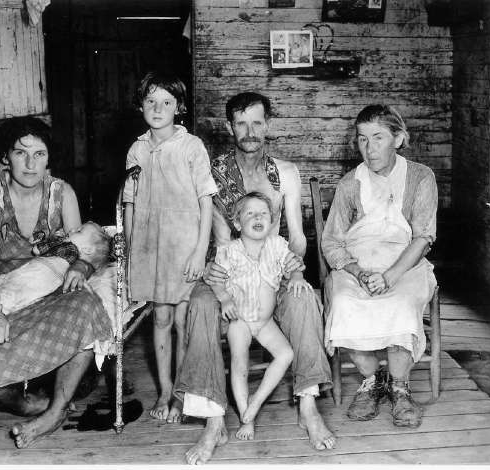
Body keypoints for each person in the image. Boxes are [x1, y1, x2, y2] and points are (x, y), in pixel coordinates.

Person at [173, 92, 336, 465]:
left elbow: (295, 235)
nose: (250, 131)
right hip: (227, 267)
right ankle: (214, 420)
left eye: (257, 123)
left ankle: (308, 405)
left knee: (303, 298)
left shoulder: (286, 173)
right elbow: (220, 238)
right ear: (230, 126)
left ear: (268, 125)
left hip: (273, 267)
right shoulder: (213, 172)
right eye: (241, 123)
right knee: (198, 304)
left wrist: (294, 271)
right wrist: (220, 277)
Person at [0, 116, 112, 448]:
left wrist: (82, 268)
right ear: (5, 156)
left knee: (87, 305)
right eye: (20, 153)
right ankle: (41, 404)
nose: (30, 164)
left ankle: (52, 414)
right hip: (7, 293)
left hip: (49, 290)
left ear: (49, 158)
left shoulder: (63, 194)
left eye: (39, 154)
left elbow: (83, 249)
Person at [321, 104, 438, 428]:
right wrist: (358, 273)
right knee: (344, 302)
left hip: (405, 264)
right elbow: (332, 242)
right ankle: (372, 382)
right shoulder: (349, 184)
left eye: (378, 138)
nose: (369, 149)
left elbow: (424, 236)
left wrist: (389, 277)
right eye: (362, 139)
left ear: (398, 139)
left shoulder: (420, 177)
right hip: (358, 266)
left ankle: (399, 387)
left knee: (401, 302)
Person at [123, 72, 218, 424]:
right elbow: (129, 203)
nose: (158, 108)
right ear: (140, 106)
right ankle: (164, 388)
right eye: (150, 101)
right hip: (151, 247)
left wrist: (199, 252)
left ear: (179, 107)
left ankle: (181, 392)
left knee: (181, 319)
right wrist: (134, 250)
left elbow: (206, 202)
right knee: (160, 317)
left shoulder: (192, 146)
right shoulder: (137, 148)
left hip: (183, 246)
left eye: (166, 102)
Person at [0, 221, 112, 380]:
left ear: (87, 250)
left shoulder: (69, 251)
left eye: (78, 232)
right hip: (12, 280)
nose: (72, 231)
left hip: (16, 293)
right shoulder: (71, 260)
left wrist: (54, 239)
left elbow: (36, 249)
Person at [212, 191, 312, 441]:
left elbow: (294, 264)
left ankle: (256, 401)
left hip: (265, 322)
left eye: (264, 214)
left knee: (286, 354)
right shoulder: (229, 251)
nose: (258, 217)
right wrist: (224, 298)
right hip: (240, 321)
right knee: (239, 362)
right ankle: (248, 418)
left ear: (271, 220)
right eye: (250, 213)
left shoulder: (277, 245)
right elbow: (216, 281)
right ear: (237, 223)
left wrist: (297, 277)